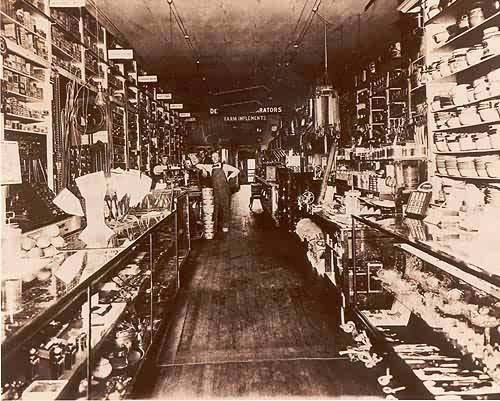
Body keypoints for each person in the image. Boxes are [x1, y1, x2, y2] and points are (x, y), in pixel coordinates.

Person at [196, 150, 239, 233]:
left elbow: (237, 170)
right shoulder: (210, 167)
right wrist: (204, 169)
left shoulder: (225, 166)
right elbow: (198, 165)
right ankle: (214, 227)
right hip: (215, 190)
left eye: (216, 156)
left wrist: (229, 177)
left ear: (219, 157)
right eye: (212, 157)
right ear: (211, 158)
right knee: (215, 208)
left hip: (225, 190)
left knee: (225, 207)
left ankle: (225, 225)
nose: (214, 158)